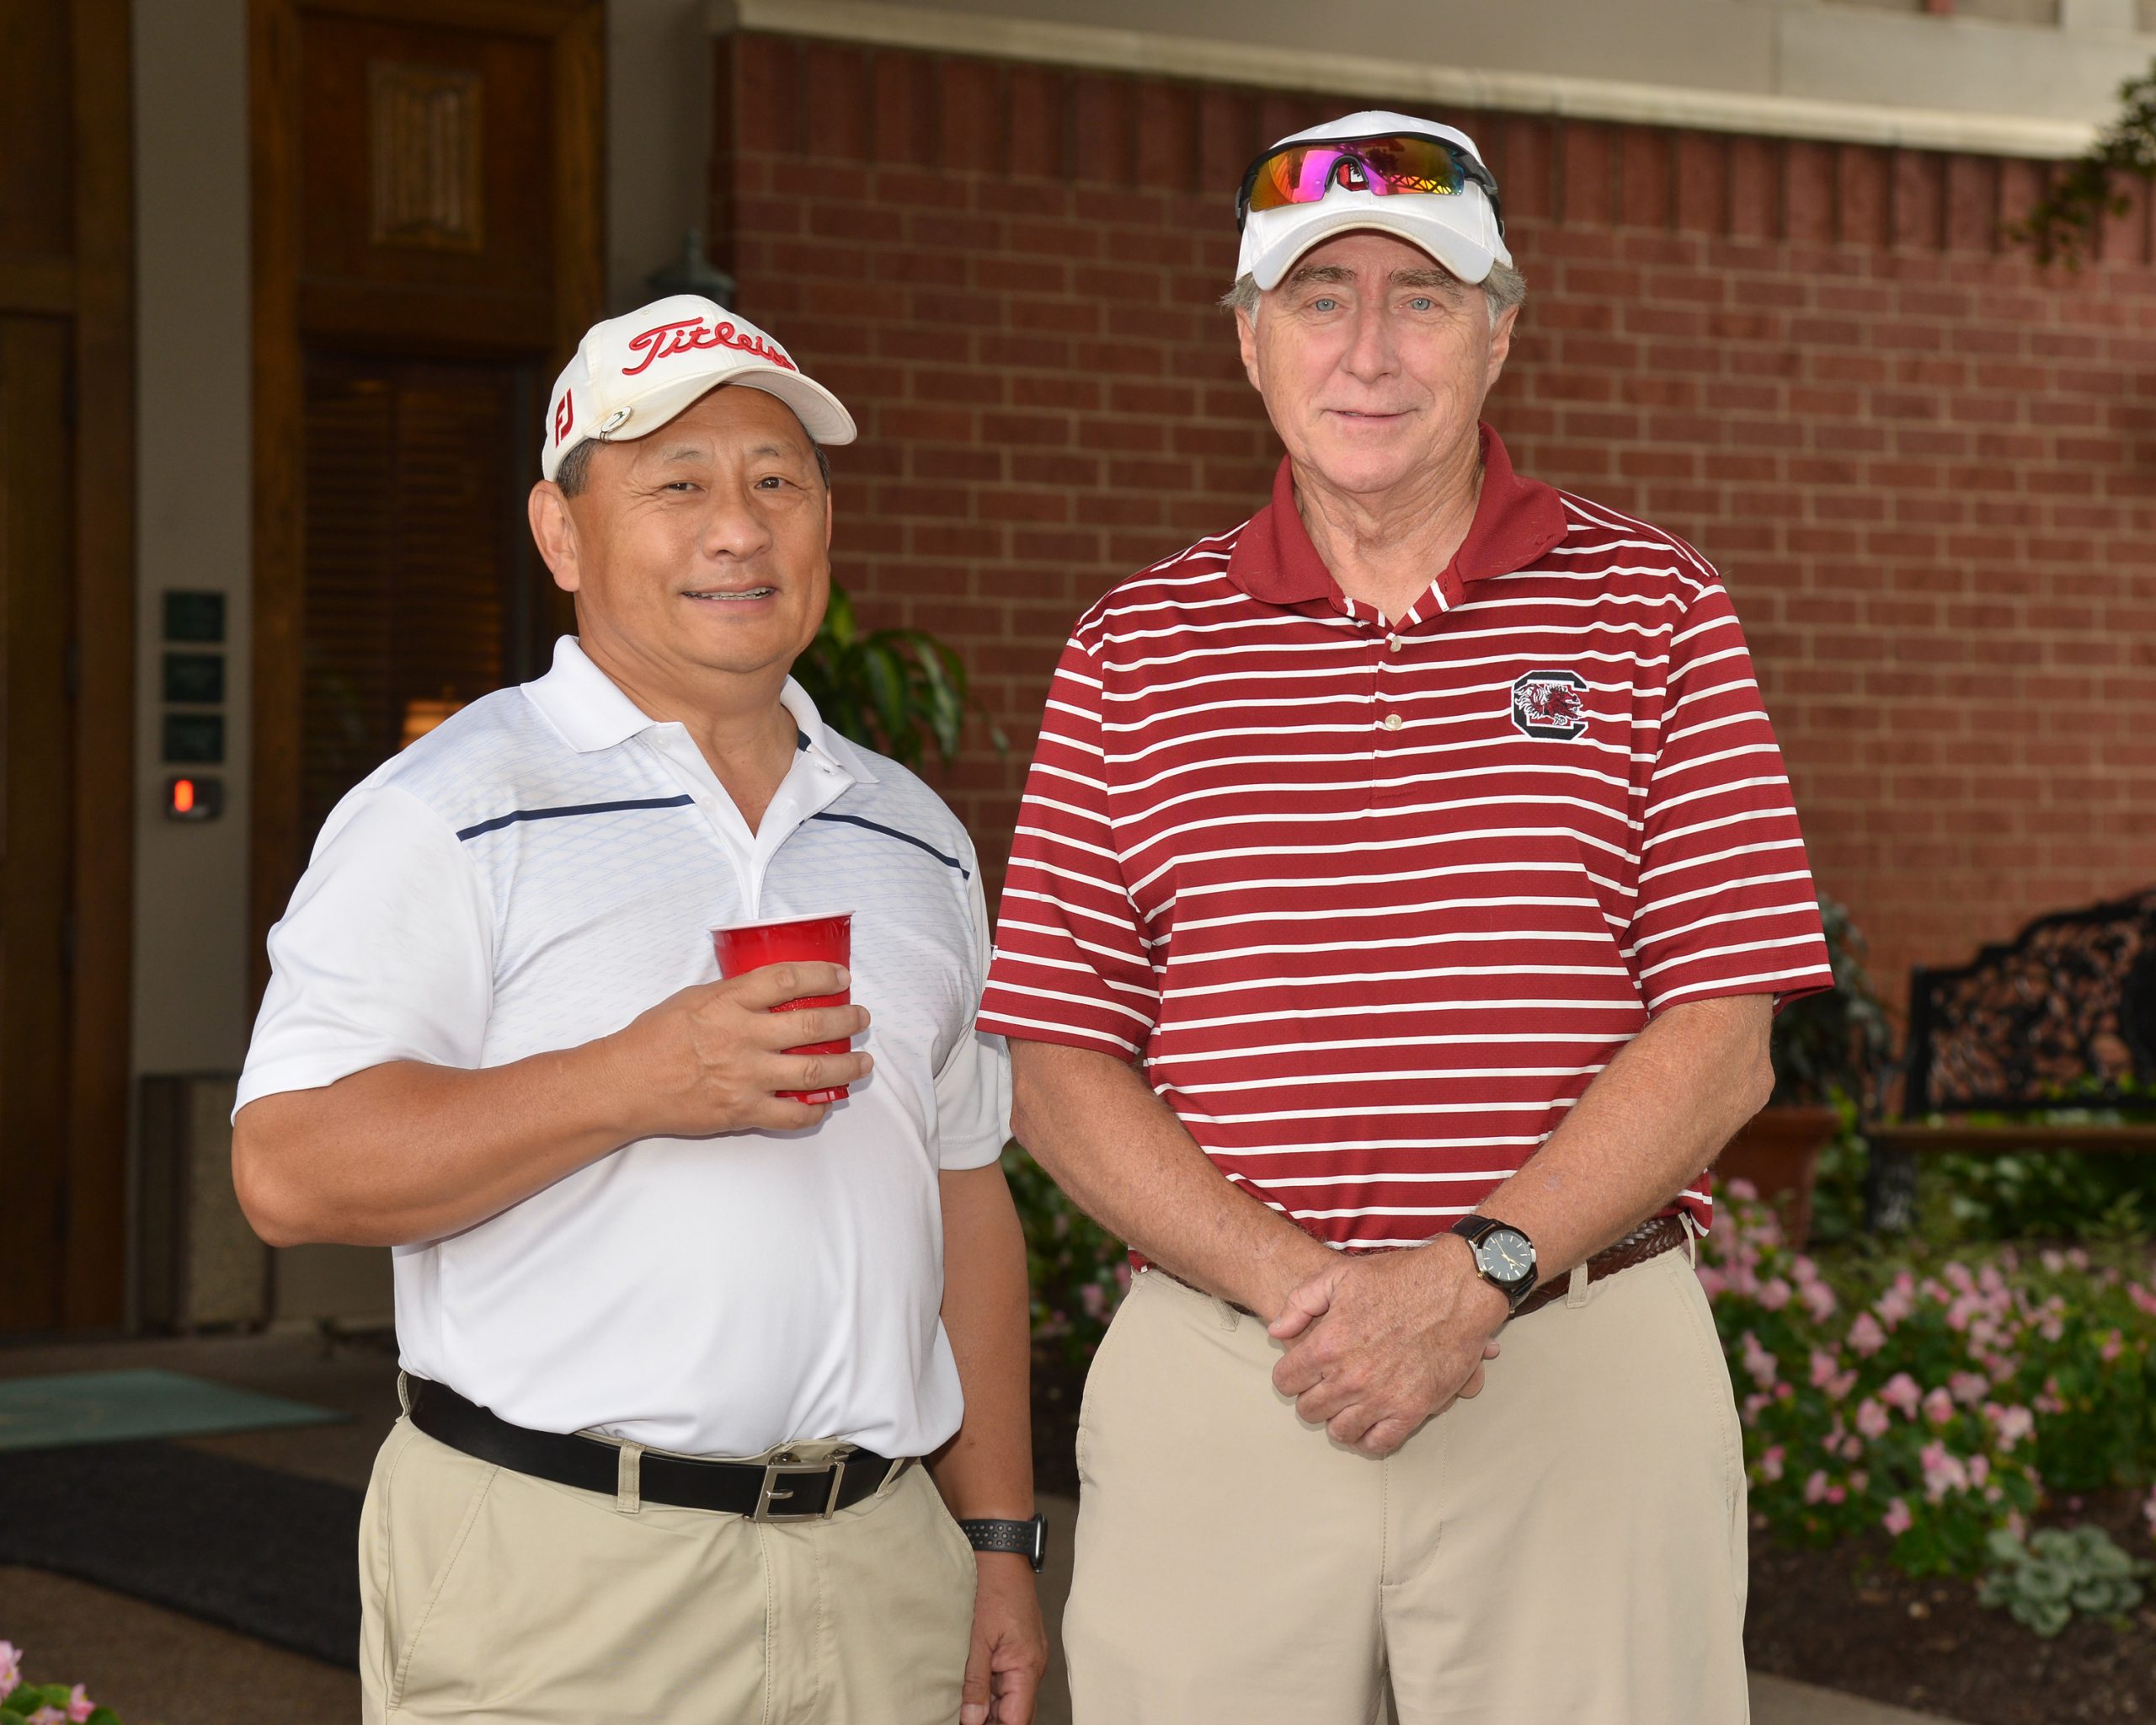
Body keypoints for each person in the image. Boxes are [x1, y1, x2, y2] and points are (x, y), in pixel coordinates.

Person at [977, 113, 1835, 1722]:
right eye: (1320, 297)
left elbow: (1723, 1036)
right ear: (1250, 342)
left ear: (1498, 333)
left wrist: (1472, 1275)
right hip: (1233, 1371)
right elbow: (1057, 1063)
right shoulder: (1131, 651)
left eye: (1421, 298)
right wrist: (1307, 1290)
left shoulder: (1656, 608)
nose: (1368, 350)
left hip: (1572, 1360)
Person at [233, 294, 1045, 1725]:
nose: (739, 530)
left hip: (879, 1570)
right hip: (558, 1576)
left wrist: (995, 1542)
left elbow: (961, 1193)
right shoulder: (448, 810)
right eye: (677, 485)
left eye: (777, 482)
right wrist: (628, 1081)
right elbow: (286, 1171)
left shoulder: (913, 834)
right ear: (562, 535)